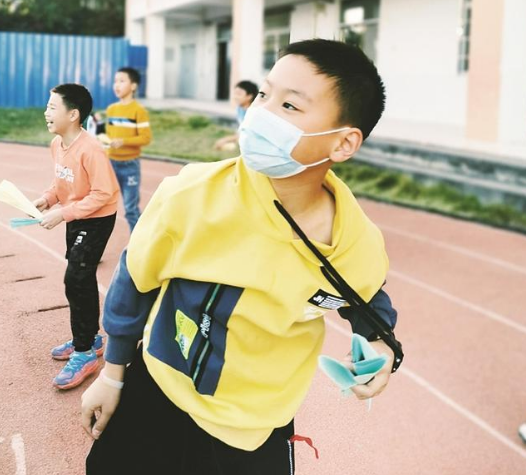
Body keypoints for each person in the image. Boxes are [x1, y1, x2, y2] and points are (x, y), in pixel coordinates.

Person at [81, 39, 402, 474]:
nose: (262, 113)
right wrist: (112, 373)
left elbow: (365, 300)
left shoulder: (352, 242)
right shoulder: (190, 195)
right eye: (265, 95)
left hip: (254, 429)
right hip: (158, 390)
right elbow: (134, 281)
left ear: (343, 143)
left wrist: (381, 348)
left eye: (290, 106)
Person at [33, 83, 120, 390]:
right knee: (77, 279)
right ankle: (89, 338)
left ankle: (84, 354)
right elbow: (62, 183)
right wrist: (48, 199)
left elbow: (104, 193)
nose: (46, 112)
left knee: (76, 279)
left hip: (95, 219)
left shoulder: (91, 149)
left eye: (52, 107)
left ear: (73, 114)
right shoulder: (58, 145)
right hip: (76, 215)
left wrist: (64, 213)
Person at [104, 67, 152, 233]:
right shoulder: (111, 109)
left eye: (122, 81)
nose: (116, 85)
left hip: (130, 166)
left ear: (133, 86)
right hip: (110, 164)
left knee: (130, 209)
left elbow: (145, 138)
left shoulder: (139, 111)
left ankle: (140, 245)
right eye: (115, 81)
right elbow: (109, 135)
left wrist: (123, 142)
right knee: (103, 207)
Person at [213, 80, 259, 151]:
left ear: (249, 96)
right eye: (235, 93)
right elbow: (240, 130)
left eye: (239, 94)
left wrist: (226, 140)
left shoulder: (253, 113)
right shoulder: (240, 108)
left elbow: (248, 135)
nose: (235, 97)